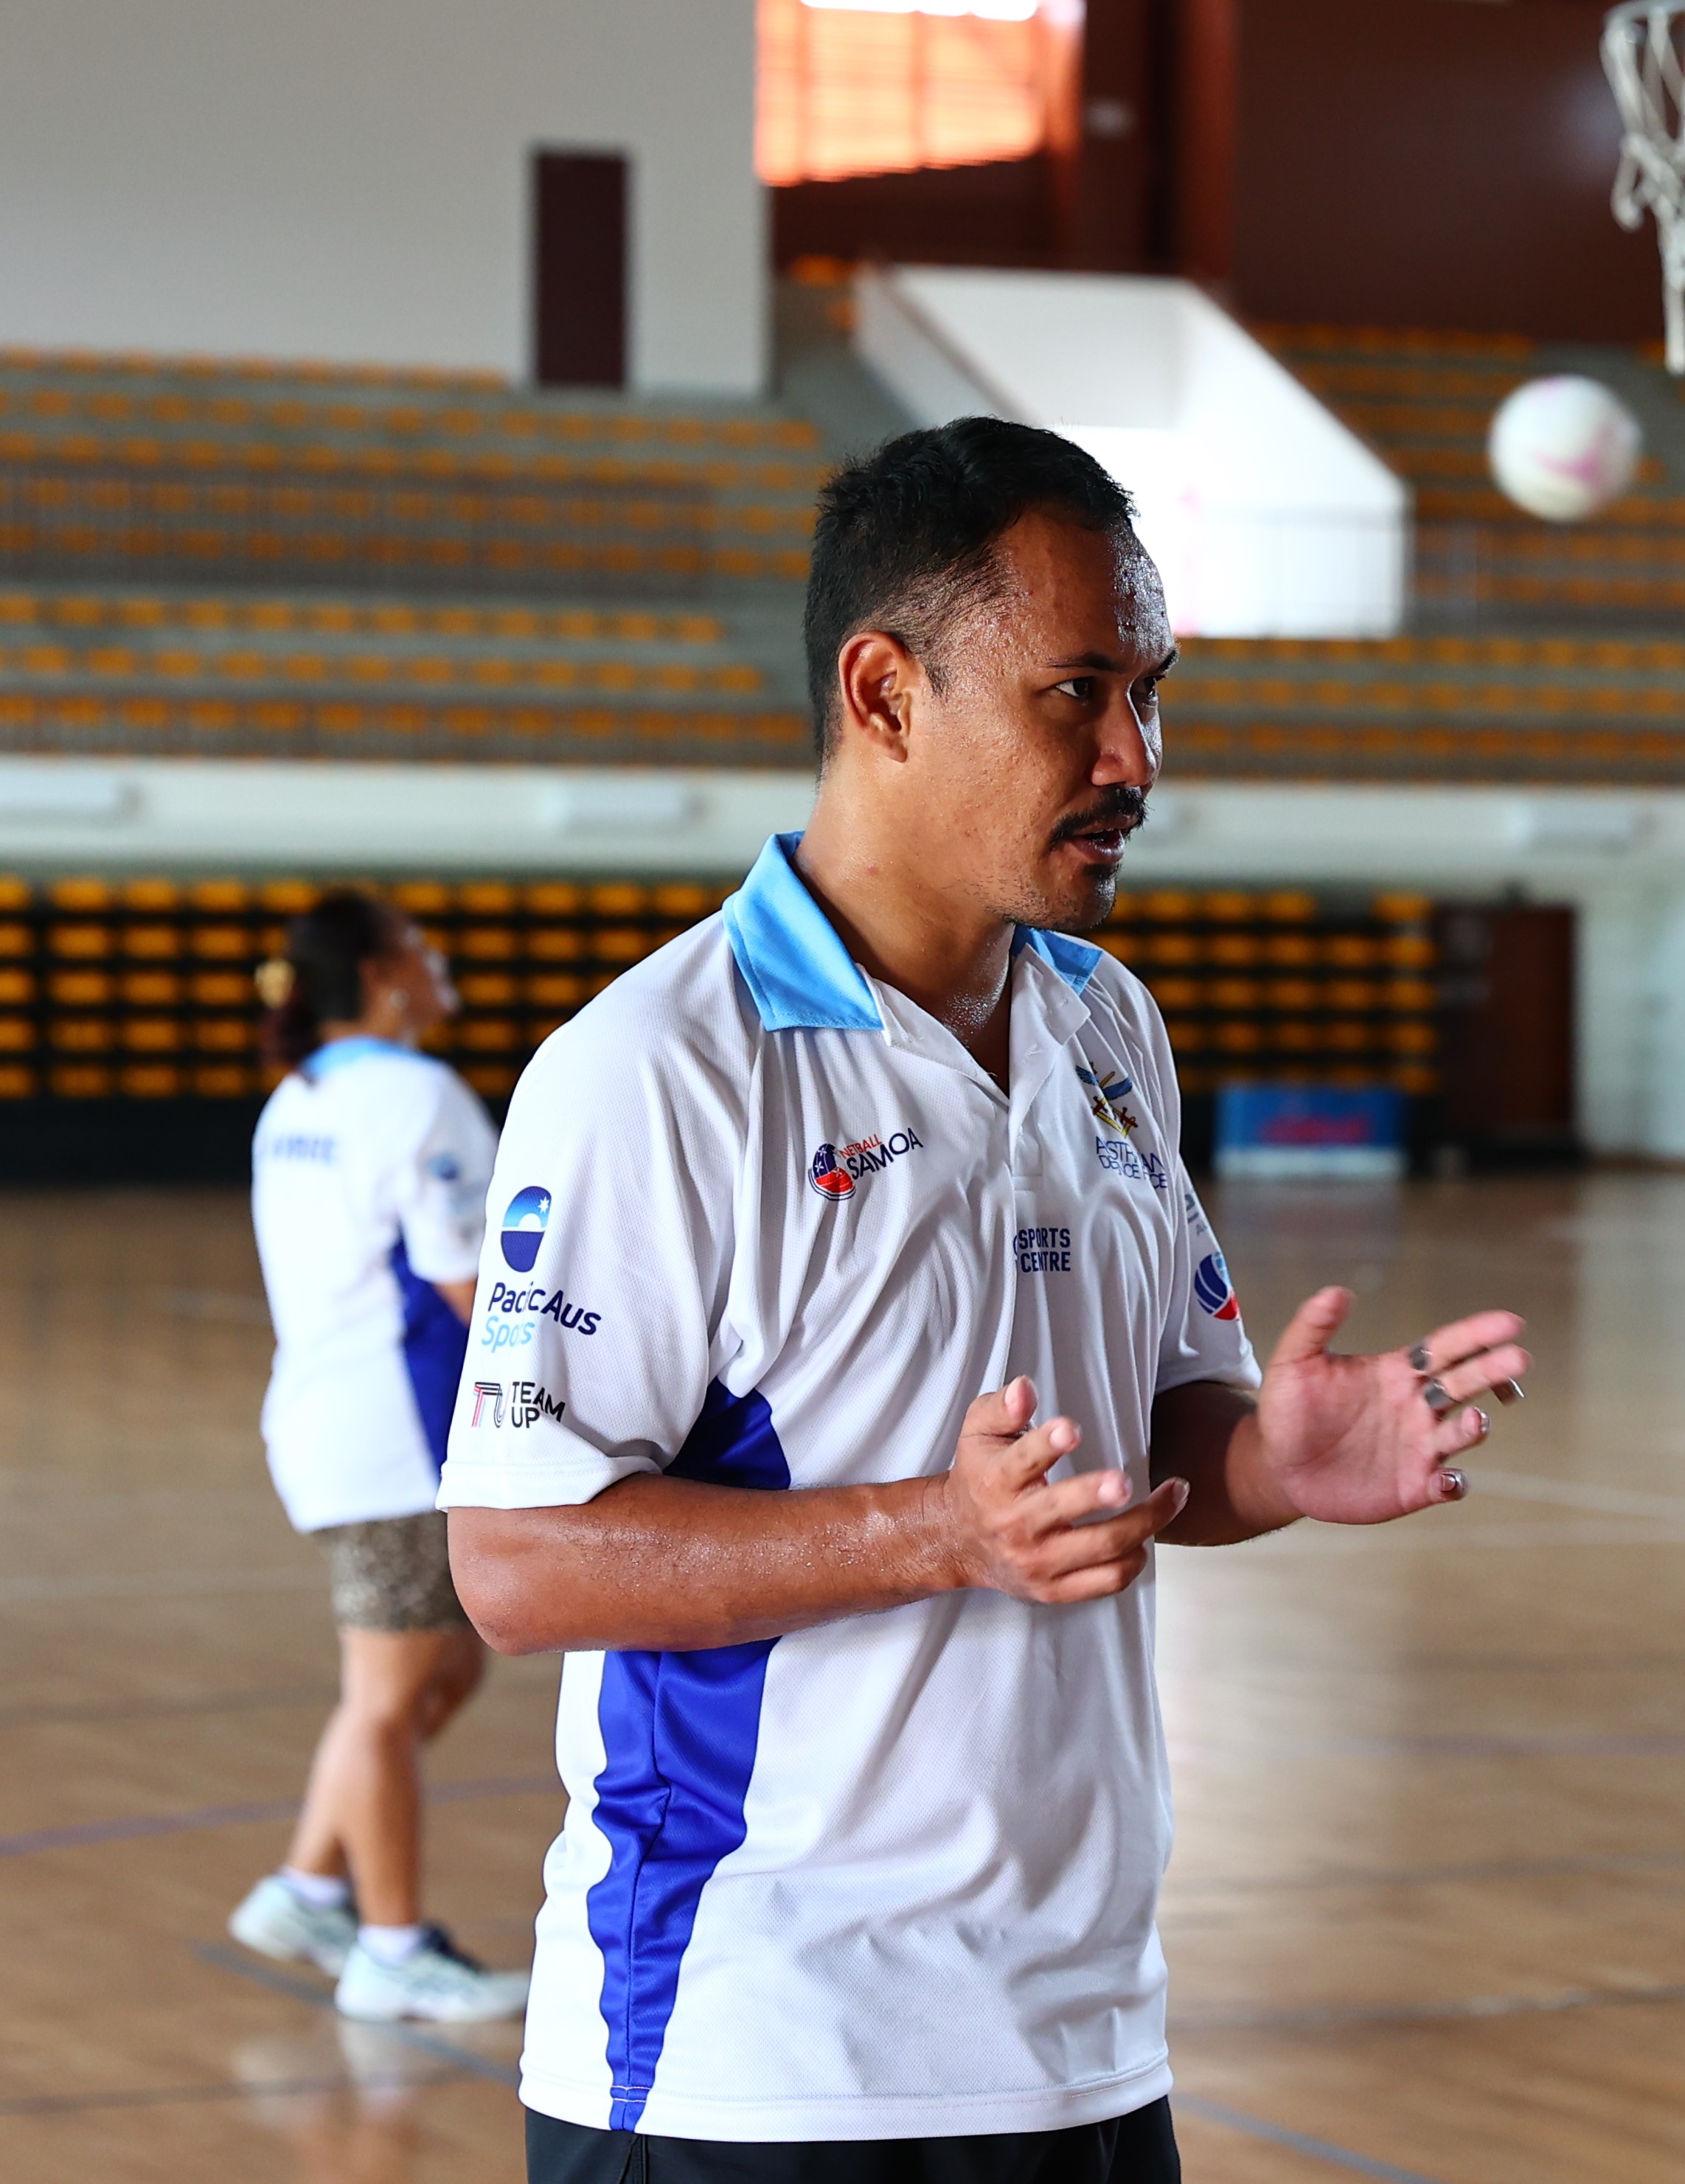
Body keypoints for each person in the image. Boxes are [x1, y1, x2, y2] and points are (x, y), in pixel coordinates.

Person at [441, 417, 1528, 2183]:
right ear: (883, 693)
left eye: (1154, 693)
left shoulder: (1110, 1027)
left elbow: (1161, 1432)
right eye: (1078, 692)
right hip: (756, 2061)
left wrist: (1273, 1461)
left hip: (1081, 2055)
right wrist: (938, 1531)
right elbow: (516, 1560)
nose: (1136, 755)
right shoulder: (658, 1066)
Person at [226, 889, 534, 2023]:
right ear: (380, 971)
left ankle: (309, 1885)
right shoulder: (418, 1096)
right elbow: (479, 1290)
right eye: (416, 946)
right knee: (389, 1700)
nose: (435, 960)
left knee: (441, 1669)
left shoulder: (297, 1098)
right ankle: (392, 1945)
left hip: (323, 1422)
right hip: (400, 1437)